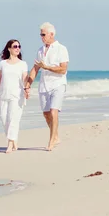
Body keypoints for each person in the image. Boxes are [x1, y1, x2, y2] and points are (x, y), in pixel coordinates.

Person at [25, 22, 69, 151]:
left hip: (58, 84)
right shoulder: (40, 50)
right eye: (40, 34)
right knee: (46, 114)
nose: (42, 37)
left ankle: (51, 141)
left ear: (52, 34)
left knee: (53, 111)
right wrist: (27, 85)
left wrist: (47, 67)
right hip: (44, 85)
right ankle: (55, 136)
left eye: (43, 34)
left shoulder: (61, 49)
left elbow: (63, 69)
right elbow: (35, 68)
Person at [0, 39, 29, 153]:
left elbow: (25, 78)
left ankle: (10, 144)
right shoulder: (3, 63)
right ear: (9, 48)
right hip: (2, 95)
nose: (17, 48)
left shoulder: (23, 64)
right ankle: (13, 139)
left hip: (16, 96)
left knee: (13, 119)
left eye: (19, 46)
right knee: (4, 119)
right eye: (15, 46)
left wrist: (27, 89)